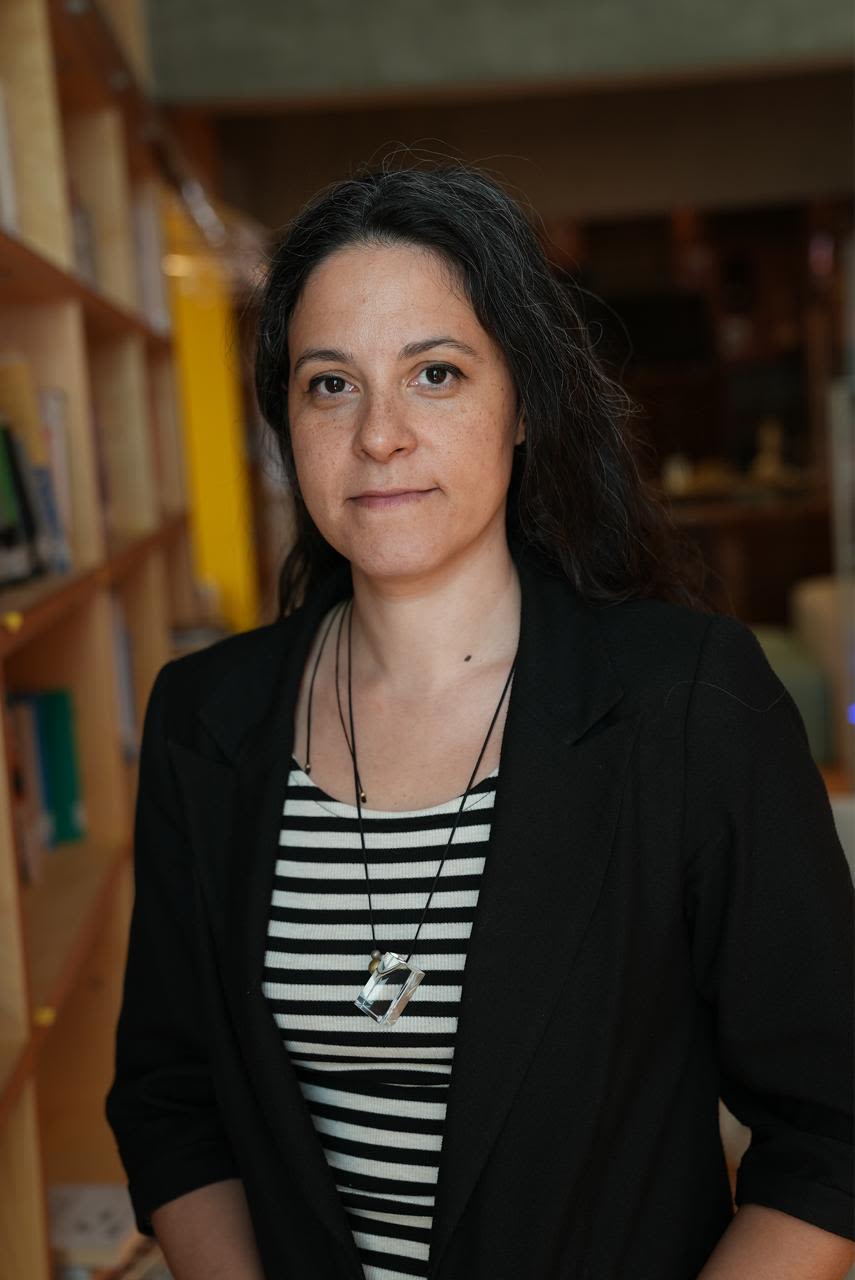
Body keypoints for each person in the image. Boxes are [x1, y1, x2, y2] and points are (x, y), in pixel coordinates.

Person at [105, 156, 854, 1280]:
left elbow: (834, 1131)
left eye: (436, 373)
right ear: (286, 423)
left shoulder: (689, 700)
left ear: (523, 407)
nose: (380, 434)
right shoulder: (203, 718)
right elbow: (171, 1099)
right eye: (329, 383)